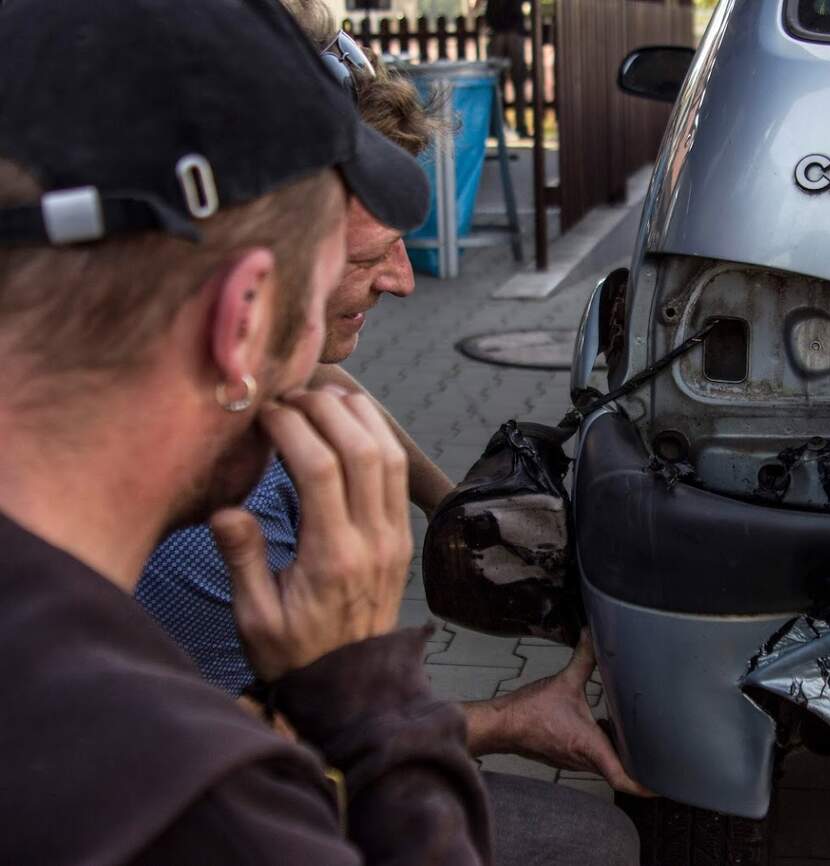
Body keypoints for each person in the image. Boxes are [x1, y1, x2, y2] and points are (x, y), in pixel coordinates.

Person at [133, 3, 645, 863]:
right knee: (590, 841)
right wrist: (503, 719)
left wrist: (459, 508)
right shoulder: (210, 520)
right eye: (370, 260)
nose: (406, 283)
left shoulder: (247, 358)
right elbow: (251, 762)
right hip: (205, 804)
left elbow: (323, 378)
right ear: (251, 269)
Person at [0, 0, 492, 863]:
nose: (402, 287)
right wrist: (377, 705)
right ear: (242, 320)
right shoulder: (193, 802)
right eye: (316, 291)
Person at [482, 0, 531, 138]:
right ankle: (504, 124)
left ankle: (508, 125)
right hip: (506, 28)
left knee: (504, 82)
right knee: (501, 82)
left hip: (504, 28)